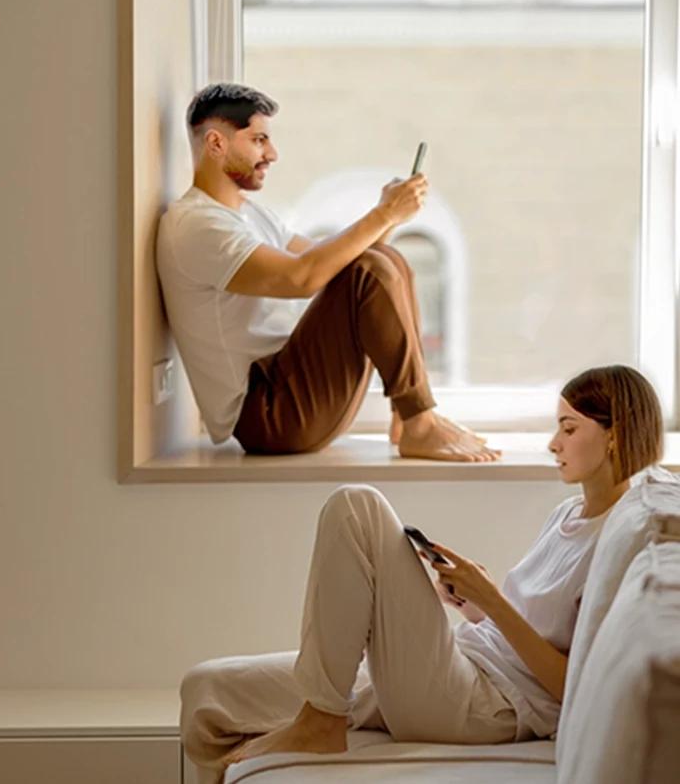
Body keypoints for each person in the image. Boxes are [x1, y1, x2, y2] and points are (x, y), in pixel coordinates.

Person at [180, 365, 664, 783]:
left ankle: (321, 721)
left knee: (358, 507)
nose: (553, 443)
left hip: (484, 702)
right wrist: (472, 603)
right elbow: (534, 623)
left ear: (615, 433)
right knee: (207, 691)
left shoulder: (621, 538)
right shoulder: (565, 516)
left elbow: (574, 682)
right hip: (461, 660)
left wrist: (493, 599)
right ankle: (315, 717)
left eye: (569, 429)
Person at [156, 82, 500, 461]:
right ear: (217, 144)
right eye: (258, 140)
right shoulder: (197, 225)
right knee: (372, 267)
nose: (271, 153)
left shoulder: (248, 214)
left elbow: (338, 262)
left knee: (389, 260)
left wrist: (393, 217)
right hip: (269, 415)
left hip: (290, 392)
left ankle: (410, 419)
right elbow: (301, 279)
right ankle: (419, 422)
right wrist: (382, 214)